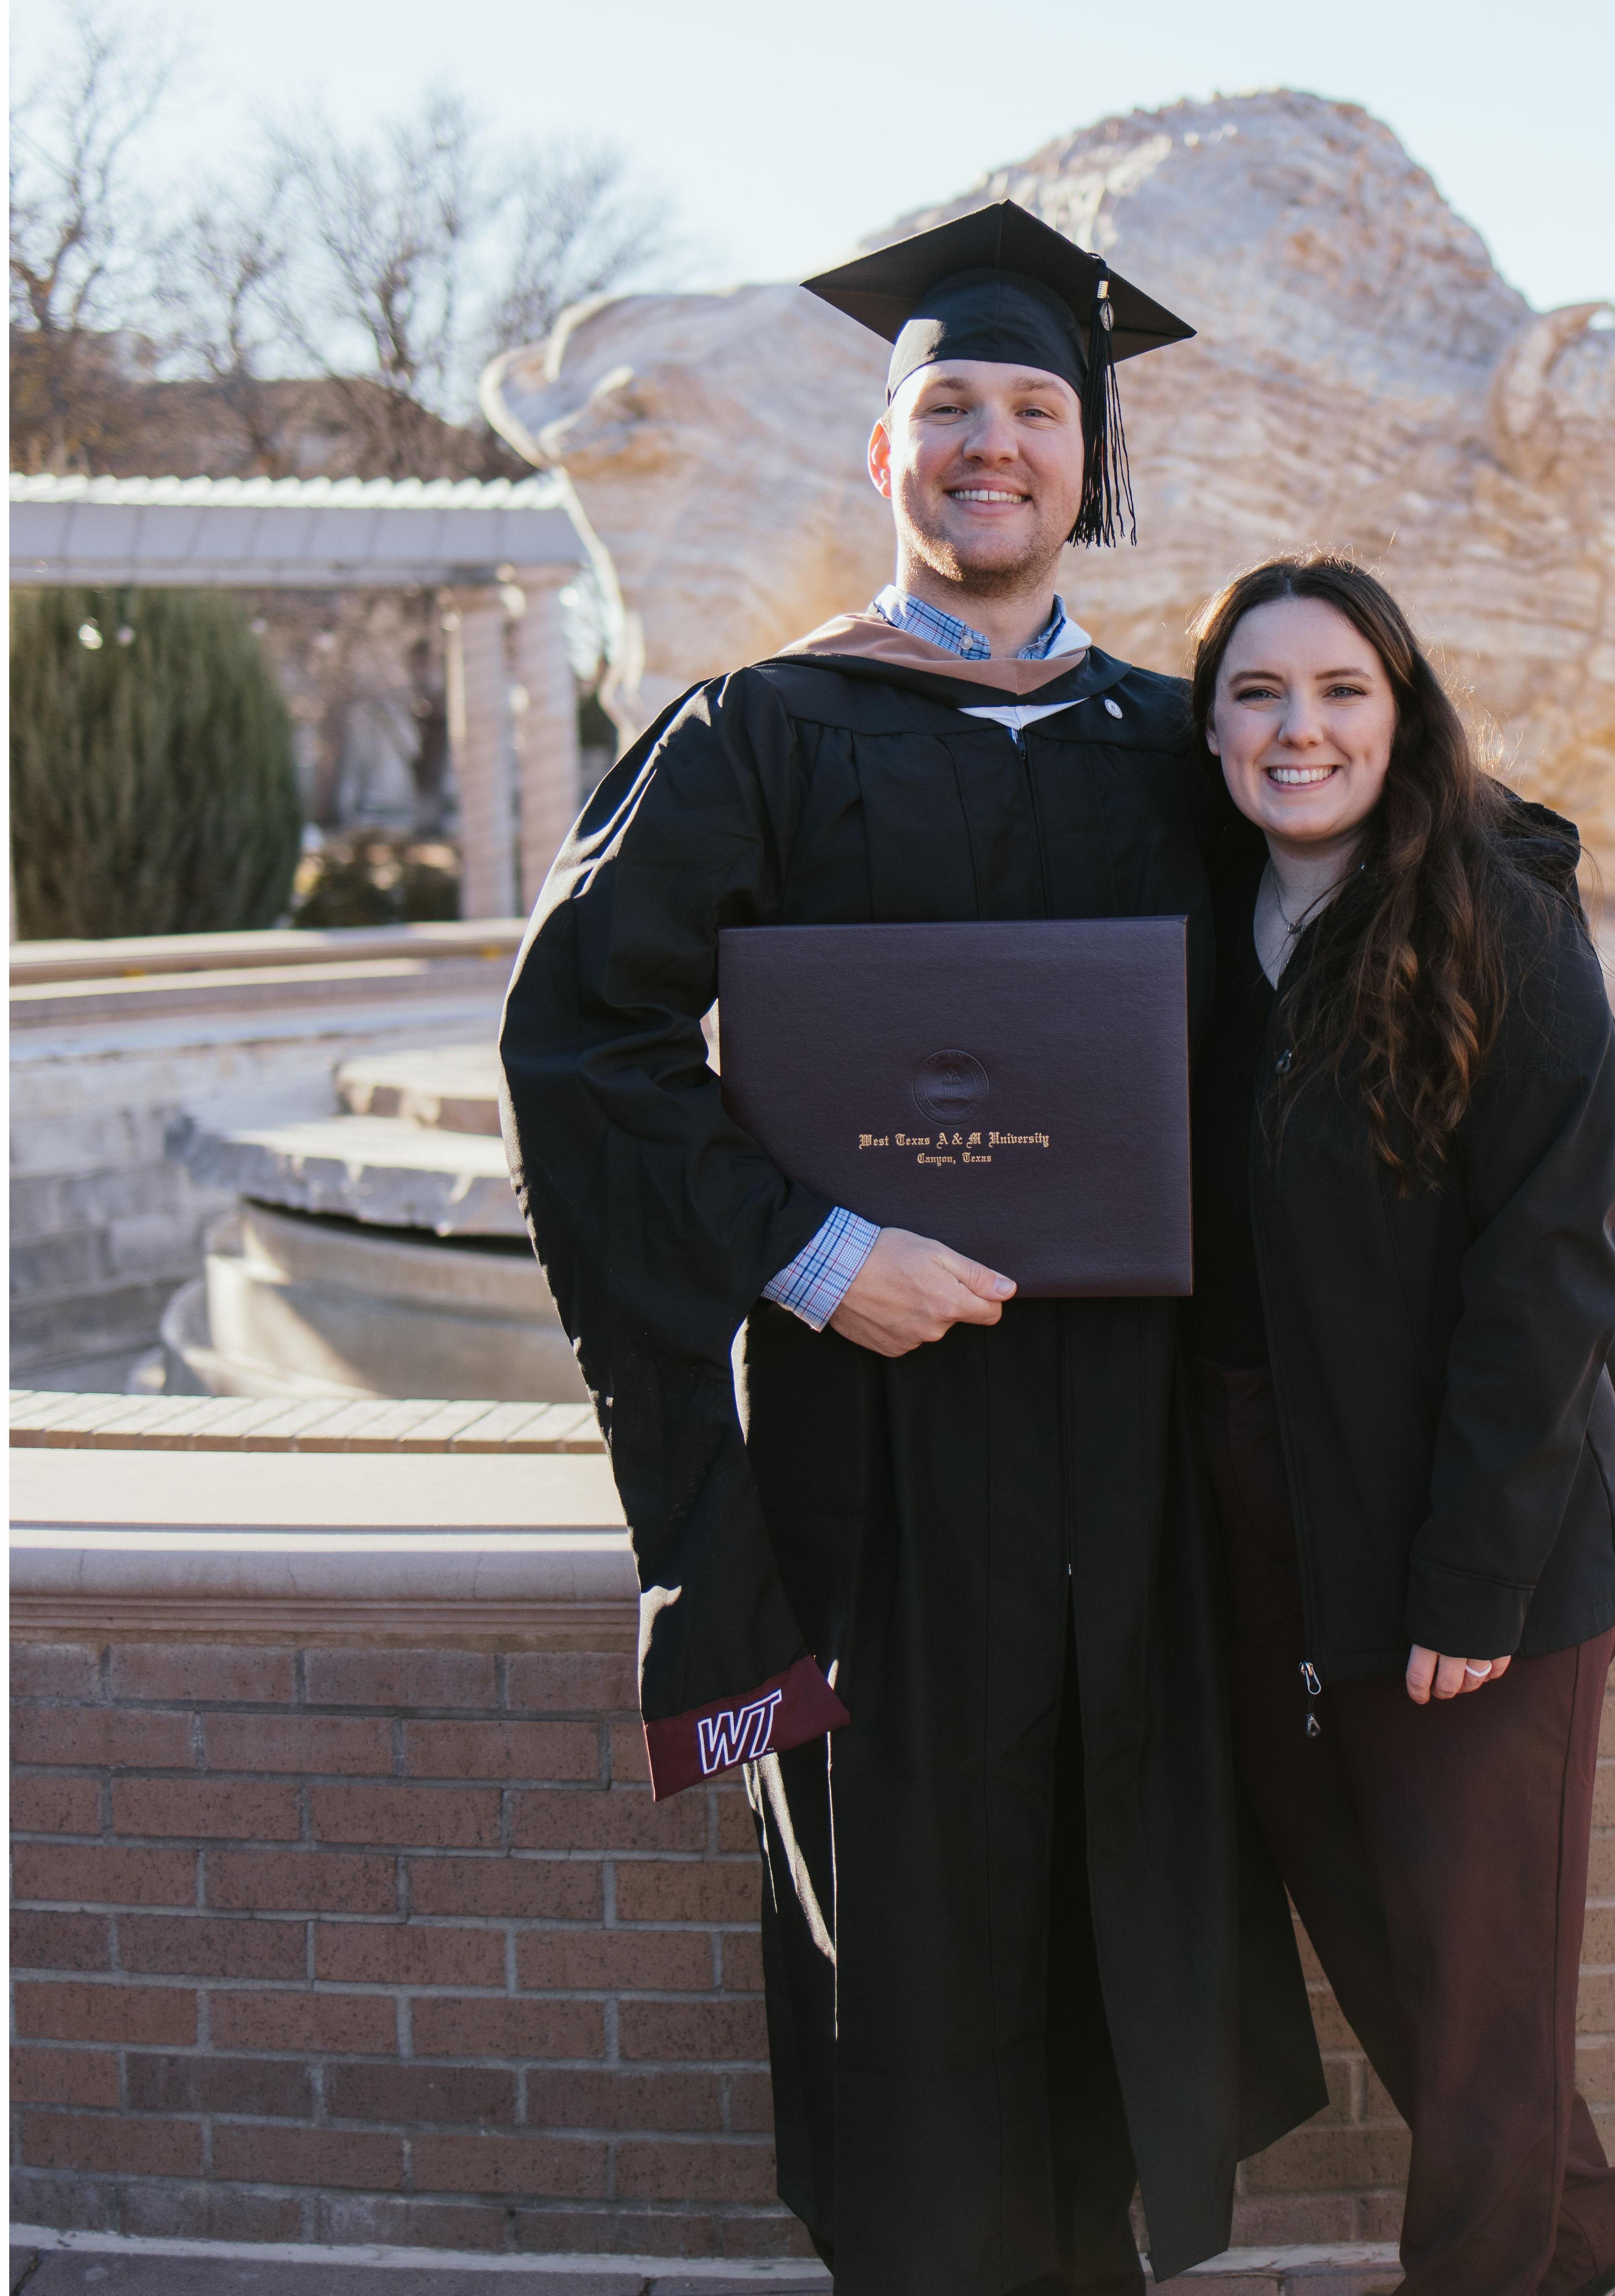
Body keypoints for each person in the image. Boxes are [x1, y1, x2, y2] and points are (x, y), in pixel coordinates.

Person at [499, 203, 1322, 2296]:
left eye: (1036, 408)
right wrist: (805, 1245)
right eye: (945, 404)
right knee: (915, 1961)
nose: (992, 442)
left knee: (1107, 1924)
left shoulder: (1178, 748)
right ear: (879, 457)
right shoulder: (763, 733)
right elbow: (578, 1040)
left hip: (1133, 1485)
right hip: (877, 1471)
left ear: (1089, 462)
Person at [1183, 556, 1615, 2296]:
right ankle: (1599, 2251)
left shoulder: (1499, 920)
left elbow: (1546, 1282)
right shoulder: (1203, 929)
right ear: (1212, 727)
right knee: (1396, 1952)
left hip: (1480, 1542)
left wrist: (1466, 1584)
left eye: (1337, 690)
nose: (1295, 726)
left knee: (1477, 2002)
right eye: (1255, 693)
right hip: (1279, 1518)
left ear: (1402, 714)